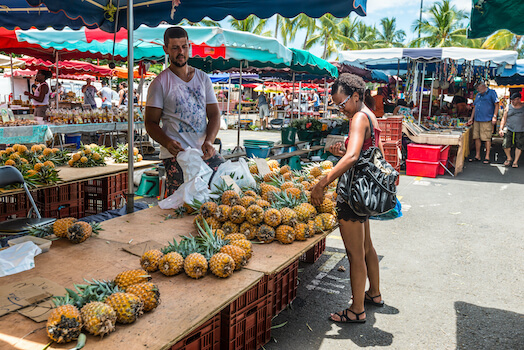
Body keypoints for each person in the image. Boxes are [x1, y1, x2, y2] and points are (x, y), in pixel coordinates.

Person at [311, 73, 385, 324]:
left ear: (355, 96)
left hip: (353, 194)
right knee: (367, 247)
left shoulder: (357, 118)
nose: (340, 110)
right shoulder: (371, 117)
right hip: (365, 194)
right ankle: (374, 294)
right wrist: (344, 151)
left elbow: (353, 158)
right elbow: (372, 153)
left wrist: (322, 183)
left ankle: (356, 310)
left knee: (354, 255)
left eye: (341, 104)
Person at [145, 26, 223, 196]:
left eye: (184, 46)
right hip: (176, 155)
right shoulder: (160, 83)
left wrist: (209, 141)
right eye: (175, 48)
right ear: (166, 49)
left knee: (222, 185)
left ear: (189, 47)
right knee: (182, 201)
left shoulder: (203, 79)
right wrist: (166, 142)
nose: (181, 52)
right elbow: (150, 122)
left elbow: (215, 115)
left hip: (203, 151)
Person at [467, 81, 500, 164]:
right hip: (477, 119)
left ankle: (487, 156)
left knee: (486, 138)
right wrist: (471, 118)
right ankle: (477, 155)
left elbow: (496, 104)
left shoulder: (492, 92)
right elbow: (474, 107)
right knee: (476, 137)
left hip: (486, 119)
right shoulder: (478, 95)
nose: (477, 90)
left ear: (483, 86)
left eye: (478, 88)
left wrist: (495, 116)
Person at [499, 92, 524, 168]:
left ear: (519, 99)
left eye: (514, 100)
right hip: (509, 128)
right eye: (512, 100)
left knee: (519, 145)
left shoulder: (523, 107)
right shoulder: (508, 107)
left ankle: (515, 161)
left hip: (521, 129)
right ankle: (509, 158)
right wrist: (501, 128)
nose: (512, 101)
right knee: (505, 144)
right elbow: (504, 118)